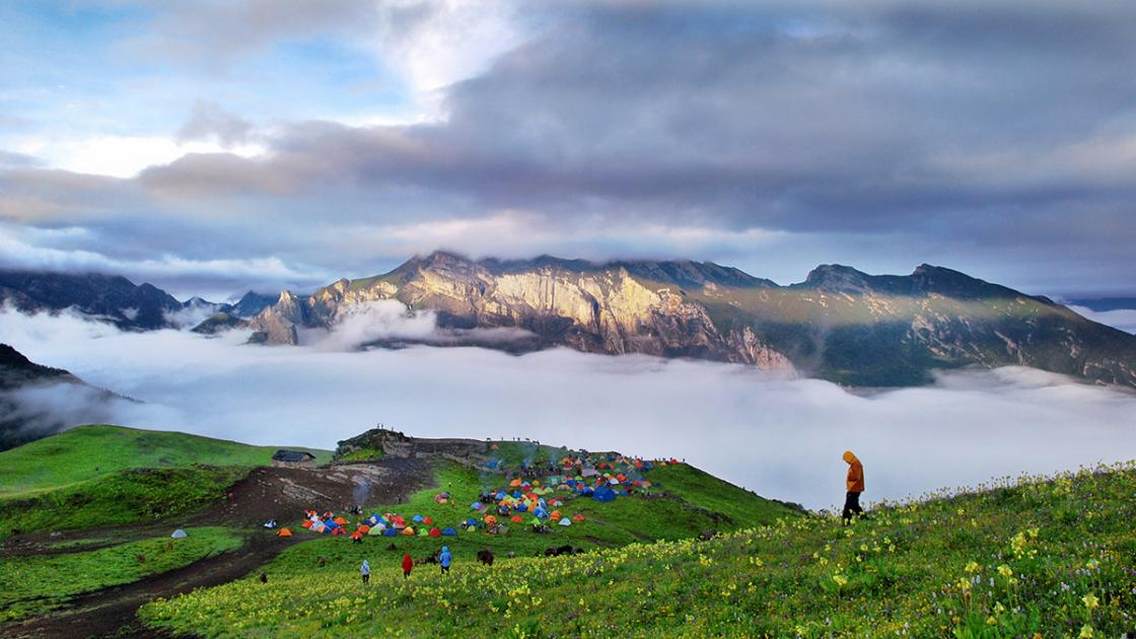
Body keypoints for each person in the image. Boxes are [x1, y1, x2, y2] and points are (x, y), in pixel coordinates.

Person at [842, 450, 865, 525]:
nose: (846, 462)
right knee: (855, 506)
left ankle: (846, 523)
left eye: (846, 460)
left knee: (848, 507)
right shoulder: (855, 463)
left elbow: (856, 476)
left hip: (854, 488)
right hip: (855, 488)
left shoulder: (856, 464)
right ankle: (864, 519)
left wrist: (849, 475)